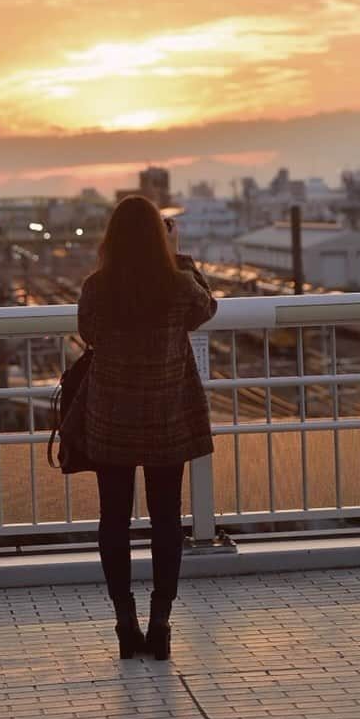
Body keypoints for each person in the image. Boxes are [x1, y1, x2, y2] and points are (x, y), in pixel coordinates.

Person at [76, 195, 217, 660]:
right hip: (165, 419)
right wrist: (180, 257)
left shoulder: (97, 288)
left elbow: (90, 334)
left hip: (111, 419)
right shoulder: (177, 286)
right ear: (161, 237)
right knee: (165, 521)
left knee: (113, 519)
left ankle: (123, 623)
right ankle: (160, 624)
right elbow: (207, 308)